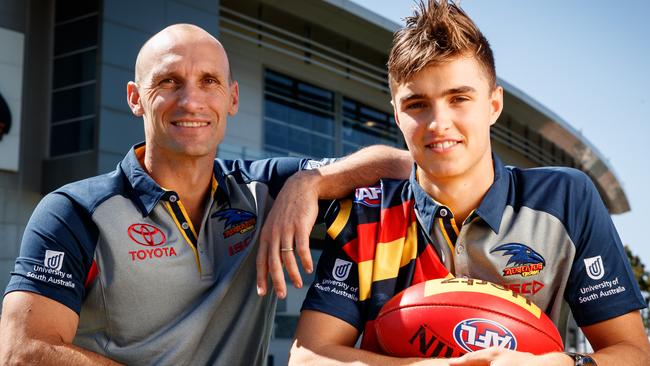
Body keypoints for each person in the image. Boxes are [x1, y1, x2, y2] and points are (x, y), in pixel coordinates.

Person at [0, 24, 412, 365]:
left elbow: (402, 165)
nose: (191, 99)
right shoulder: (74, 212)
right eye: (169, 81)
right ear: (135, 98)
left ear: (232, 98)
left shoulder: (263, 190)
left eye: (209, 81)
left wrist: (312, 182)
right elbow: (24, 351)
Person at [286, 1, 650, 365]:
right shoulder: (369, 213)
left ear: (494, 105)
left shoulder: (565, 199)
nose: (438, 123)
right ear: (397, 114)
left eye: (459, 98)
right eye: (417, 105)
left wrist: (555, 364)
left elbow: (633, 354)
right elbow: (307, 358)